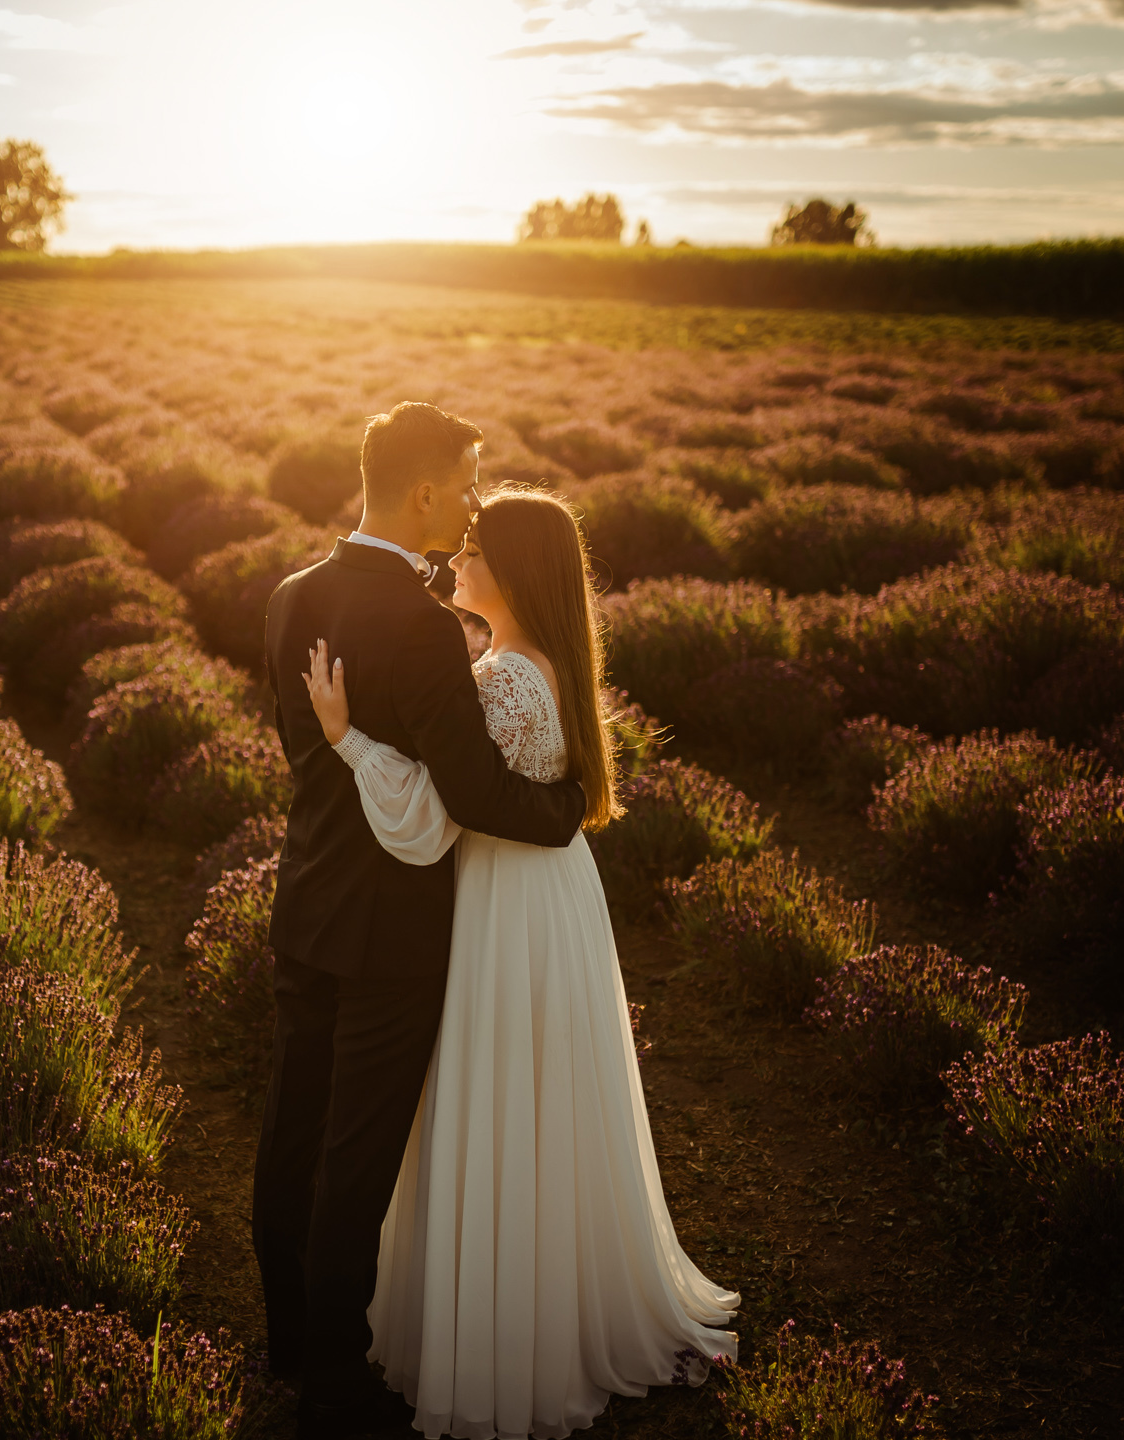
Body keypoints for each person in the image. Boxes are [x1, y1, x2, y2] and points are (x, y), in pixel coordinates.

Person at [301, 485, 741, 1439]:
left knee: (497, 1090)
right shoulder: (539, 665)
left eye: (474, 550)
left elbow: (425, 820)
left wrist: (347, 739)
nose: (456, 559)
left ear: (513, 570)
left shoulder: (502, 681)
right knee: (542, 1097)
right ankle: (547, 1309)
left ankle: (500, 1337)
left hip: (504, 899)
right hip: (552, 897)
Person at [257, 403, 588, 1440]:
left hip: (307, 903)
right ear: (426, 493)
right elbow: (480, 794)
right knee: (359, 1157)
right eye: (469, 480)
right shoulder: (422, 626)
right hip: (394, 929)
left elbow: (304, 765)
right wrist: (567, 809)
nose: (477, 500)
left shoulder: (289, 597)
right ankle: (335, 1379)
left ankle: (284, 1340)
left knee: (292, 1132)